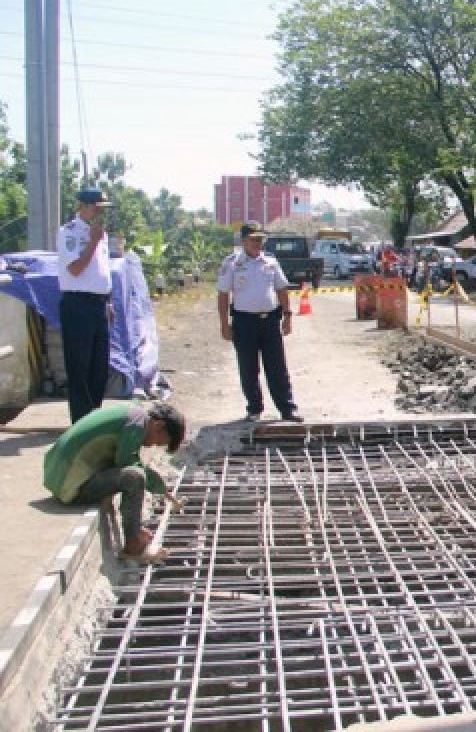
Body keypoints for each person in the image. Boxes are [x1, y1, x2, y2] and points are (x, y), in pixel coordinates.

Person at [43, 402, 185, 563]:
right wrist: (157, 484)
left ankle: (134, 532)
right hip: (69, 484)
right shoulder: (136, 426)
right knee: (135, 477)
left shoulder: (133, 414)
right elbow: (127, 463)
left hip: (57, 474)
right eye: (158, 442)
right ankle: (133, 546)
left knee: (131, 473)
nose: (152, 445)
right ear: (158, 425)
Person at [217, 222, 303, 422]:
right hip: (244, 322)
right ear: (243, 241)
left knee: (277, 367)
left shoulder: (271, 262)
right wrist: (224, 324)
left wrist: (288, 316)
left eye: (260, 239)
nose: (257, 243)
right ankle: (254, 408)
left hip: (270, 320)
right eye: (253, 239)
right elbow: (223, 295)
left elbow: (282, 288)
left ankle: (287, 408)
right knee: (248, 367)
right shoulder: (232, 263)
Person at [57, 187, 115, 423]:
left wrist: (108, 300)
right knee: (80, 366)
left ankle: (93, 418)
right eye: (96, 207)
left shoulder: (100, 234)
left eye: (103, 209)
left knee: (99, 367)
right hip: (77, 303)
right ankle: (80, 422)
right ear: (83, 206)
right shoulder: (69, 232)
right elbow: (75, 268)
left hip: (98, 304)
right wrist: (92, 242)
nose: (99, 212)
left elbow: (101, 271)